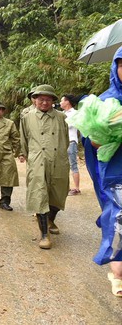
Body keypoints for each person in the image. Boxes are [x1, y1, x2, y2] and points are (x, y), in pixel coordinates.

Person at [81, 46, 122, 296]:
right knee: (119, 222)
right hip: (118, 173)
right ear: (115, 68)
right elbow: (94, 144)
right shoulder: (106, 102)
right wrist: (113, 132)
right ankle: (117, 269)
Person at [19, 84, 69, 249]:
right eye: (41, 99)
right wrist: (29, 156)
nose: (44, 103)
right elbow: (24, 140)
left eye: (48, 99)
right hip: (38, 160)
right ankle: (44, 235)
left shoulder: (61, 117)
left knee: (58, 194)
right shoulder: (27, 117)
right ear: (35, 100)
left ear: (53, 101)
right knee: (39, 195)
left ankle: (50, 219)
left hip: (58, 160)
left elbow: (66, 139)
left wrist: (61, 154)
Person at [0, 101, 21, 211]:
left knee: (7, 178)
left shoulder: (9, 123)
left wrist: (19, 153)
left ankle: (5, 201)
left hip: (4, 154)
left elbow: (16, 139)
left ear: (3, 111)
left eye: (0, 109)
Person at [60, 94, 81, 195]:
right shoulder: (62, 113)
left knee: (73, 164)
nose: (60, 103)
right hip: (62, 142)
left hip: (71, 141)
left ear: (67, 102)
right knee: (63, 166)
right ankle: (66, 187)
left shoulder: (75, 113)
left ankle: (77, 188)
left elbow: (70, 125)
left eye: (62, 101)